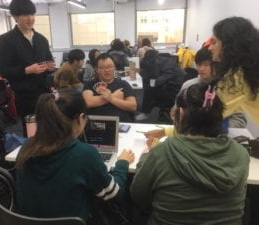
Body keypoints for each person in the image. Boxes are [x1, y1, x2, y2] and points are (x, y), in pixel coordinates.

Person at [131, 82, 249, 225]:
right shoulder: (241, 154)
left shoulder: (161, 153)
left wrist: (146, 155)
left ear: (180, 114)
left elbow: (138, 197)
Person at [15, 90, 135, 221]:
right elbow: (114, 194)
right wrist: (122, 162)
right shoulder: (84, 154)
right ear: (81, 118)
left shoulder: (27, 147)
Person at [0, 0, 55, 134]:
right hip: (25, 94)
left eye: (32, 14)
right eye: (25, 15)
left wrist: (50, 67)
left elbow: (48, 60)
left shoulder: (41, 39)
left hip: (44, 92)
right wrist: (26, 70)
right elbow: (3, 70)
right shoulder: (7, 40)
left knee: (49, 127)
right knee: (32, 131)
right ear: (15, 17)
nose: (30, 19)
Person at [208, 16, 259, 125]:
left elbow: (212, 113)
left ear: (229, 46)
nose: (209, 48)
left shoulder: (238, 78)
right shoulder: (250, 70)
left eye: (214, 42)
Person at [82, 53, 137, 122]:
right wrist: (114, 96)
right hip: (96, 124)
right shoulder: (90, 84)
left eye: (110, 67)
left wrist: (111, 98)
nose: (107, 70)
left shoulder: (123, 84)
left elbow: (132, 106)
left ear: (115, 68)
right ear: (96, 69)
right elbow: (88, 102)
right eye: (102, 67)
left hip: (121, 124)